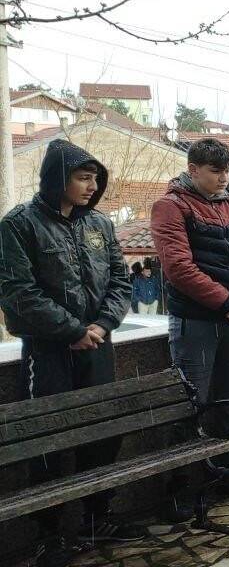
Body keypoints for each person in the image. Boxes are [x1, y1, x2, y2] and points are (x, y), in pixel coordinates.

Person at [0, 140, 145, 567]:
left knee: (102, 433)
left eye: (95, 178)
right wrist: (72, 331)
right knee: (47, 440)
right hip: (47, 352)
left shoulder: (99, 224)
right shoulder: (19, 225)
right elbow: (18, 293)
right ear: (56, 179)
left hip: (97, 346)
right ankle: (47, 534)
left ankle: (98, 518)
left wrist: (100, 326)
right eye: (83, 177)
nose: (92, 185)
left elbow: (121, 280)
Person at [150, 138, 229, 510]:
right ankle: (180, 490)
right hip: (195, 321)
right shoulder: (170, 207)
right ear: (193, 170)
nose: (223, 178)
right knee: (189, 403)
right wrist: (227, 302)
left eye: (227, 171)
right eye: (215, 171)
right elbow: (179, 269)